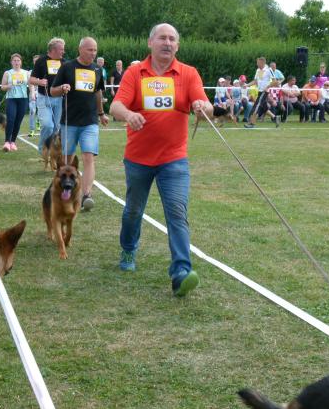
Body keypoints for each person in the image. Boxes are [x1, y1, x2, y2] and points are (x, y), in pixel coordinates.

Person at [110, 23, 212, 297]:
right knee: (133, 210)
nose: (167, 43)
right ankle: (129, 250)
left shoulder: (188, 73)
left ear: (177, 46)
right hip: (138, 158)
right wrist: (129, 115)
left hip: (174, 159)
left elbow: (206, 105)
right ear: (150, 42)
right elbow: (116, 105)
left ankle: (180, 272)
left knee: (177, 212)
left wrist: (203, 108)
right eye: (162, 38)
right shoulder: (135, 72)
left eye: (172, 39)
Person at [50, 37, 109, 211]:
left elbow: (98, 93)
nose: (93, 53)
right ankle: (65, 192)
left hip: (90, 121)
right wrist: (62, 89)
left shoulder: (97, 69)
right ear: (80, 49)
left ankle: (86, 194)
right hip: (70, 122)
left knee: (88, 157)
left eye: (95, 50)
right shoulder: (67, 67)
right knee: (67, 160)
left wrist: (101, 113)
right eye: (90, 50)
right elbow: (53, 91)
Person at [29, 37, 66, 153]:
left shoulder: (64, 62)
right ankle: (43, 149)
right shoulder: (41, 61)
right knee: (48, 126)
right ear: (53, 50)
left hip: (59, 99)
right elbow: (31, 79)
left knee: (56, 128)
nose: (63, 52)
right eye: (61, 49)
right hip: (44, 99)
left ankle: (53, 151)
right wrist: (39, 82)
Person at [0, 53, 30, 152]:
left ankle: (13, 142)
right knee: (11, 119)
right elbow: (2, 87)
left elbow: (31, 85)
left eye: (18, 60)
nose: (16, 62)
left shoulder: (26, 73)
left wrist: (33, 93)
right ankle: (7, 142)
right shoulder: (7, 73)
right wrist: (7, 86)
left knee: (18, 121)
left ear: (21, 62)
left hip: (23, 99)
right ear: (11, 62)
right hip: (11, 99)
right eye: (14, 60)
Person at [244, 57, 271, 128]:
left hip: (264, 92)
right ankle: (275, 117)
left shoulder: (268, 70)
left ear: (262, 63)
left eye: (258, 62)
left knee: (256, 107)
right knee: (263, 107)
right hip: (259, 91)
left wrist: (267, 87)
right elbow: (255, 81)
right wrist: (247, 85)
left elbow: (275, 81)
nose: (257, 64)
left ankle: (252, 124)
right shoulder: (258, 70)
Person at [28, 54, 40, 136]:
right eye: (35, 61)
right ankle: (32, 130)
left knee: (41, 111)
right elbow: (30, 84)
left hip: (41, 94)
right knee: (32, 111)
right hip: (32, 92)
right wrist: (32, 93)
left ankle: (38, 122)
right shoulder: (30, 72)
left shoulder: (44, 71)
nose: (36, 62)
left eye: (37, 61)